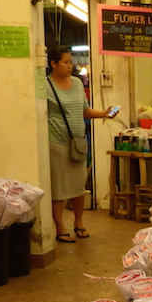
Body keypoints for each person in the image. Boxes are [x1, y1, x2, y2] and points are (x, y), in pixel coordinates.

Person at [47, 44, 112, 242]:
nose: (70, 66)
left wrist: (103, 113)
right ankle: (60, 228)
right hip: (56, 143)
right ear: (53, 63)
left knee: (77, 186)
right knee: (59, 188)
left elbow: (85, 110)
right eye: (65, 62)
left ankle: (79, 222)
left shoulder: (76, 84)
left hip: (78, 143)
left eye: (71, 62)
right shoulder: (46, 86)